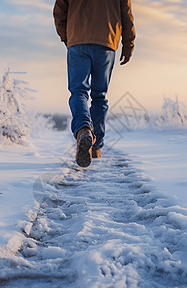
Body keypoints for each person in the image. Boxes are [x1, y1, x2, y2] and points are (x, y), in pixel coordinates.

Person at [53, 0, 136, 167]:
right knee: (99, 96)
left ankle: (84, 129)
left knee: (78, 92)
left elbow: (59, 12)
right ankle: (96, 147)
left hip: (77, 42)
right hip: (106, 43)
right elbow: (126, 14)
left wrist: (68, 38)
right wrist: (128, 44)